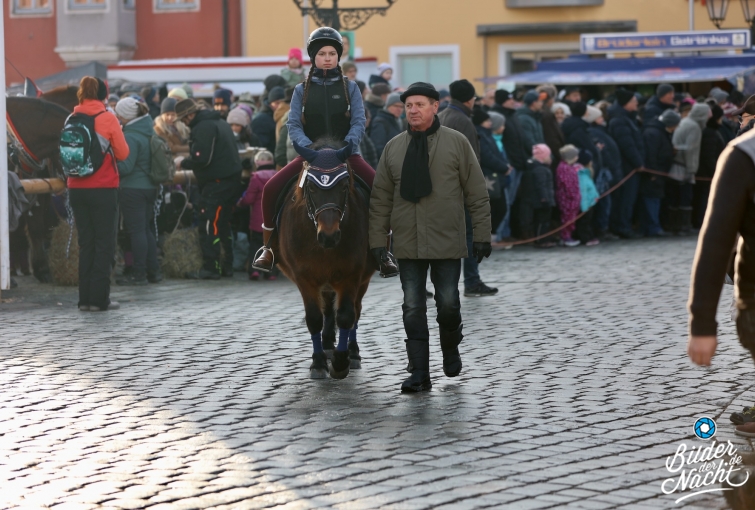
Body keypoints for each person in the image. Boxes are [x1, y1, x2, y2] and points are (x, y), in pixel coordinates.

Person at [368, 82, 491, 393]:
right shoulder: (394, 147)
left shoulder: (456, 142)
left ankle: (450, 347)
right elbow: (381, 199)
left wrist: (482, 235)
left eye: (419, 104)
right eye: (408, 105)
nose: (413, 110)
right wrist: (378, 242)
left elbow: (476, 192)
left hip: (447, 238)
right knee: (412, 306)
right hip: (407, 240)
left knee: (448, 303)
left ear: (435, 107)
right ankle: (419, 372)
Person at [251, 27, 398, 277]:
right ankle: (269, 248)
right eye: (322, 54)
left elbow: (358, 121)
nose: (327, 58)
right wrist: (307, 148)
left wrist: (349, 144)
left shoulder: (351, 87)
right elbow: (293, 124)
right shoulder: (301, 90)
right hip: (310, 155)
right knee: (271, 188)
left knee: (382, 190)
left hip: (346, 153)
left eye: (332, 53)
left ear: (338, 56)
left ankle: (384, 252)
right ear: (313, 57)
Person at [67, 76, 129, 311]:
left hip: (76, 188)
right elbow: (123, 154)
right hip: (103, 188)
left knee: (86, 244)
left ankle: (84, 300)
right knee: (104, 244)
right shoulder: (108, 118)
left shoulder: (71, 118)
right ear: (104, 95)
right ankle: (99, 299)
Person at [439, 79, 498, 297]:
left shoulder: (441, 116)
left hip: (443, 188)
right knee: (470, 234)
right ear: (469, 99)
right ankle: (472, 282)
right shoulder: (463, 120)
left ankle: (446, 284)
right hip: (460, 189)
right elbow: (470, 160)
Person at [175, 98, 243, 279]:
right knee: (224, 223)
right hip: (230, 180)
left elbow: (202, 159)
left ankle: (211, 267)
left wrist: (183, 162)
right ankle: (227, 265)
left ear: (190, 115)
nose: (183, 123)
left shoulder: (203, 127)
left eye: (183, 119)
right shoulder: (220, 122)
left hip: (217, 182)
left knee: (208, 222)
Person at [113, 97, 161, 286]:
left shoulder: (130, 136)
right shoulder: (148, 130)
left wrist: (108, 164)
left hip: (133, 189)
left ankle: (139, 273)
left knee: (136, 231)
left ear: (126, 115)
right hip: (150, 187)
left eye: (119, 114)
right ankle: (153, 271)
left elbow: (126, 167)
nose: (117, 118)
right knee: (146, 230)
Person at [608, 88, 645, 239]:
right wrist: (638, 163)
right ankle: (623, 226)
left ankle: (625, 225)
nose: (636, 103)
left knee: (629, 199)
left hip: (630, 166)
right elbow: (627, 145)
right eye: (633, 101)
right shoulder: (620, 121)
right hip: (627, 167)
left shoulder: (627, 119)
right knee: (626, 199)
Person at [669, 102, 710, 235]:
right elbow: (691, 150)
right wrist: (691, 170)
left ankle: (675, 225)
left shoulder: (685, 122)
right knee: (685, 197)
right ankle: (684, 226)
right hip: (684, 167)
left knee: (676, 197)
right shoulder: (694, 127)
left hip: (676, 165)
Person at [237, 151, 278, 281]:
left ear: (257, 163)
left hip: (258, 219)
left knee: (255, 244)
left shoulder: (255, 177)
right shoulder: (278, 176)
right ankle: (270, 272)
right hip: (274, 218)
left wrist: (240, 202)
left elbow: (249, 199)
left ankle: (254, 270)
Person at [641, 109, 680, 237]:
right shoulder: (654, 133)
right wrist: (653, 173)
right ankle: (653, 227)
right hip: (655, 173)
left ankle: (654, 226)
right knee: (652, 199)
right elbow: (651, 155)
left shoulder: (660, 132)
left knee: (655, 199)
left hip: (659, 172)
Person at [585, 105, 619, 241]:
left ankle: (602, 227)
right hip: (602, 171)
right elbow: (603, 152)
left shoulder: (601, 131)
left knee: (605, 201)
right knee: (603, 201)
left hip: (605, 170)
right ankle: (601, 227)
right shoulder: (595, 133)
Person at [474, 107, 510, 235]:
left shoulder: (487, 134)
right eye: (487, 121)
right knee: (497, 208)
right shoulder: (480, 136)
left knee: (498, 208)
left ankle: (489, 235)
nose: (490, 123)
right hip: (489, 176)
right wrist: (504, 167)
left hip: (494, 175)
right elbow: (487, 156)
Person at [695, 104, 726, 228]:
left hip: (707, 171)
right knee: (705, 197)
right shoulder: (710, 133)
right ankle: (702, 221)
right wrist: (716, 172)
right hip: (707, 173)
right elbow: (709, 156)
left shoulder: (712, 132)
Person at [555, 145, 582, 247]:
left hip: (572, 198)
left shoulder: (569, 167)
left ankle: (568, 236)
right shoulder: (564, 168)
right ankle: (565, 237)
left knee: (571, 218)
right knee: (567, 218)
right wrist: (574, 196)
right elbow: (567, 184)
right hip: (567, 198)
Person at [574, 149, 600, 247]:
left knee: (587, 221)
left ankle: (588, 236)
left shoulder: (586, 173)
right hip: (586, 205)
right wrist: (584, 207)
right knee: (584, 222)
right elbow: (583, 192)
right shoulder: (582, 175)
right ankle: (585, 238)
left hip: (590, 202)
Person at [252, 86, 285, 153]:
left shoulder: (285, 116)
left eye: (283, 103)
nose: (280, 106)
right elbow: (260, 145)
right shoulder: (261, 120)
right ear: (270, 103)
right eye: (277, 103)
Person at [370, 92, 403, 158]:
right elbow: (378, 147)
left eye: (402, 107)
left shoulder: (398, 121)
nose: (399, 109)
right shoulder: (380, 122)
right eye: (396, 106)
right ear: (388, 106)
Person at [515, 90, 545, 155]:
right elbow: (529, 143)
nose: (542, 104)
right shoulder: (524, 119)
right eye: (540, 101)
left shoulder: (535, 116)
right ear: (534, 103)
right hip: (533, 156)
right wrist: (542, 155)